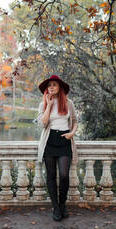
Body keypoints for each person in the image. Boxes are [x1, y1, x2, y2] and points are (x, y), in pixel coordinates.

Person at [37, 75, 78, 221]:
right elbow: (42, 124)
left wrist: (72, 133)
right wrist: (48, 105)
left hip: (64, 141)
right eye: (49, 85)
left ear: (59, 87)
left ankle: (62, 205)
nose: (51, 87)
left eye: (54, 85)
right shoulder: (43, 104)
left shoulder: (68, 103)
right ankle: (55, 208)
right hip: (49, 141)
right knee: (51, 175)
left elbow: (75, 122)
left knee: (64, 175)